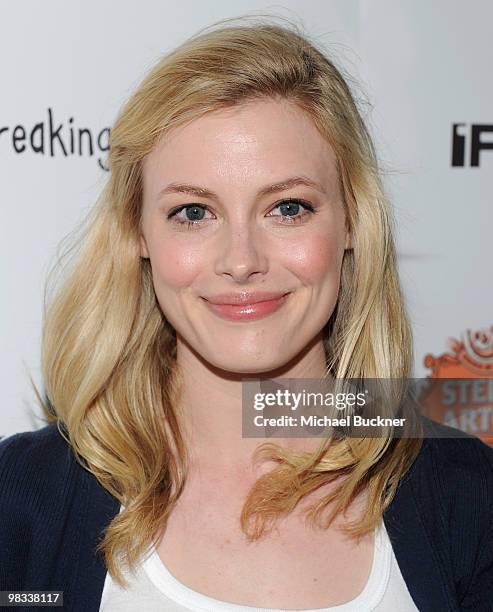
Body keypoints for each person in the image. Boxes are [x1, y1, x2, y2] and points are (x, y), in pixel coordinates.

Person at [1, 16, 492, 612]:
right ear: (139, 233)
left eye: (287, 207)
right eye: (192, 212)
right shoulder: (23, 497)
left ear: (353, 223)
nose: (241, 261)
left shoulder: (469, 497)